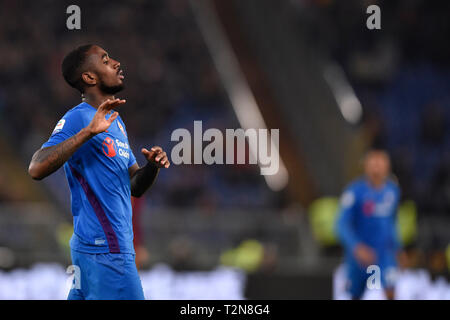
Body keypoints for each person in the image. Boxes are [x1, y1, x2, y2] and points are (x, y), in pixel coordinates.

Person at [28, 44, 170, 300]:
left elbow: (134, 186)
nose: (116, 62)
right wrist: (86, 133)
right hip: (107, 251)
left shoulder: (115, 122)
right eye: (105, 60)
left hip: (97, 252)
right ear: (90, 77)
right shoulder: (80, 118)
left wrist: (152, 167)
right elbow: (36, 167)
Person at [335, 149, 401, 300]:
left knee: (391, 291)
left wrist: (398, 248)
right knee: (355, 294)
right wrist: (357, 247)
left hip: (384, 254)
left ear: (387, 167)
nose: (376, 168)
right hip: (360, 257)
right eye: (373, 164)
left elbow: (392, 223)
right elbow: (341, 225)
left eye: (380, 164)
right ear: (366, 167)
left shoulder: (393, 191)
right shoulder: (354, 192)